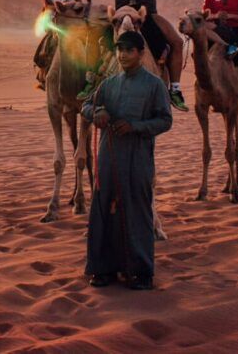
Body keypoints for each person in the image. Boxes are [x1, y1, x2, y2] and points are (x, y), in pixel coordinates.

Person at [81, 31, 173, 290]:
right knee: (102, 208)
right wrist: (96, 111)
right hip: (108, 157)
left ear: (140, 53)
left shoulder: (154, 85)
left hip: (137, 158)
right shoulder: (108, 84)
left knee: (138, 209)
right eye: (120, 50)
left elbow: (165, 121)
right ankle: (102, 269)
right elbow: (86, 106)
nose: (122, 55)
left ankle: (141, 271)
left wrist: (135, 126)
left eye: (128, 50)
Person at [81, 0, 193, 111]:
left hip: (146, 16)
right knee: (94, 38)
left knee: (176, 42)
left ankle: (175, 89)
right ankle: (91, 80)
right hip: (121, 15)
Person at [33, 0, 82, 90]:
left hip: (71, 18)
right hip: (54, 18)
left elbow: (80, 2)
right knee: (49, 46)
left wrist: (71, 7)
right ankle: (44, 76)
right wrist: (60, 7)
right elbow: (47, 5)